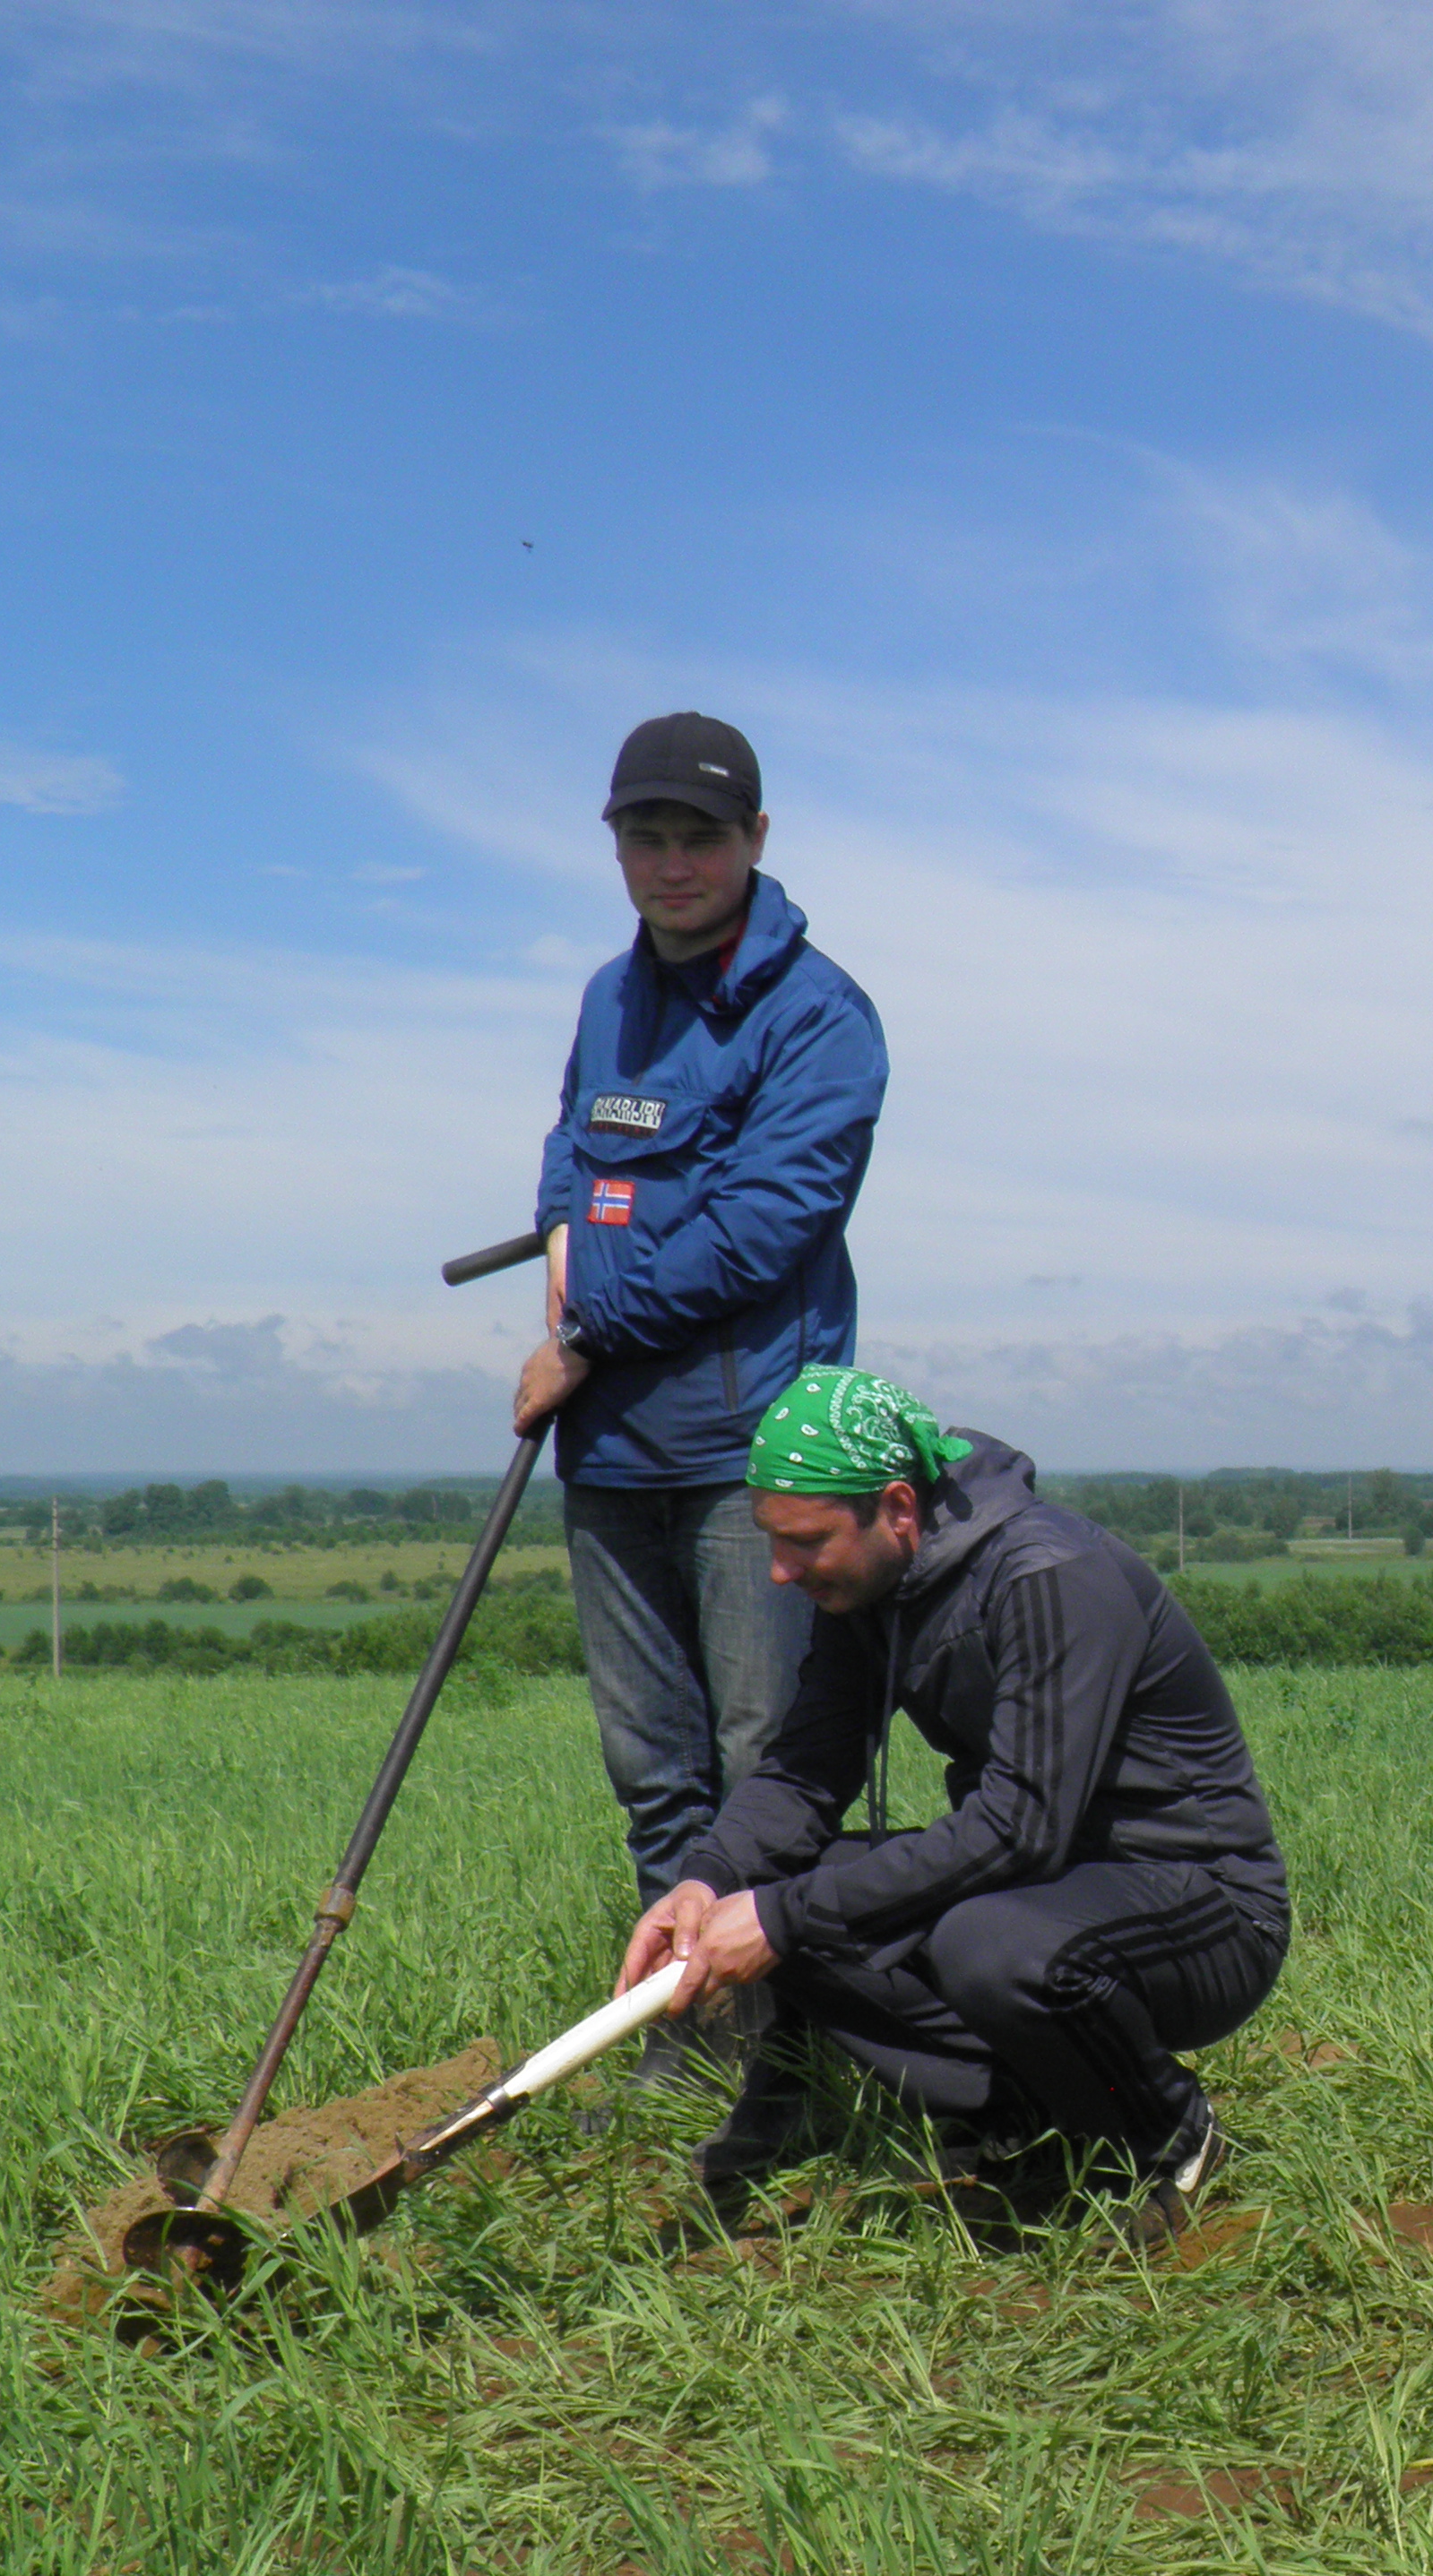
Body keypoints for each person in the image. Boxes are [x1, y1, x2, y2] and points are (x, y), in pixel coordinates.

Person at [613, 1367, 1289, 2246]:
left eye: (806, 1542)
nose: (780, 1573)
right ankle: (1031, 2125)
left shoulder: (1052, 1576)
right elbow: (805, 1771)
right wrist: (710, 1879)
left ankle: (1169, 2135)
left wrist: (779, 1917)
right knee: (801, 1887)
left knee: (983, 1946)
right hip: (1049, 1887)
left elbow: (1021, 1826)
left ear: (898, 1507)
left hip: (1200, 1905)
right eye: (771, 1541)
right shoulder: (867, 1588)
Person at [518, 712, 888, 2087]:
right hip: (611, 1448)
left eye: (701, 838)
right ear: (616, 842)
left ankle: (807, 2050)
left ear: (756, 843)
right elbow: (571, 1152)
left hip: (755, 1459)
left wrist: (582, 1331)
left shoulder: (821, 1018)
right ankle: (689, 2045)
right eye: (645, 837)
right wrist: (563, 1250)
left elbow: (762, 1227)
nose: (672, 865)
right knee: (654, 1770)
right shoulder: (610, 996)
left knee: (765, 1765)